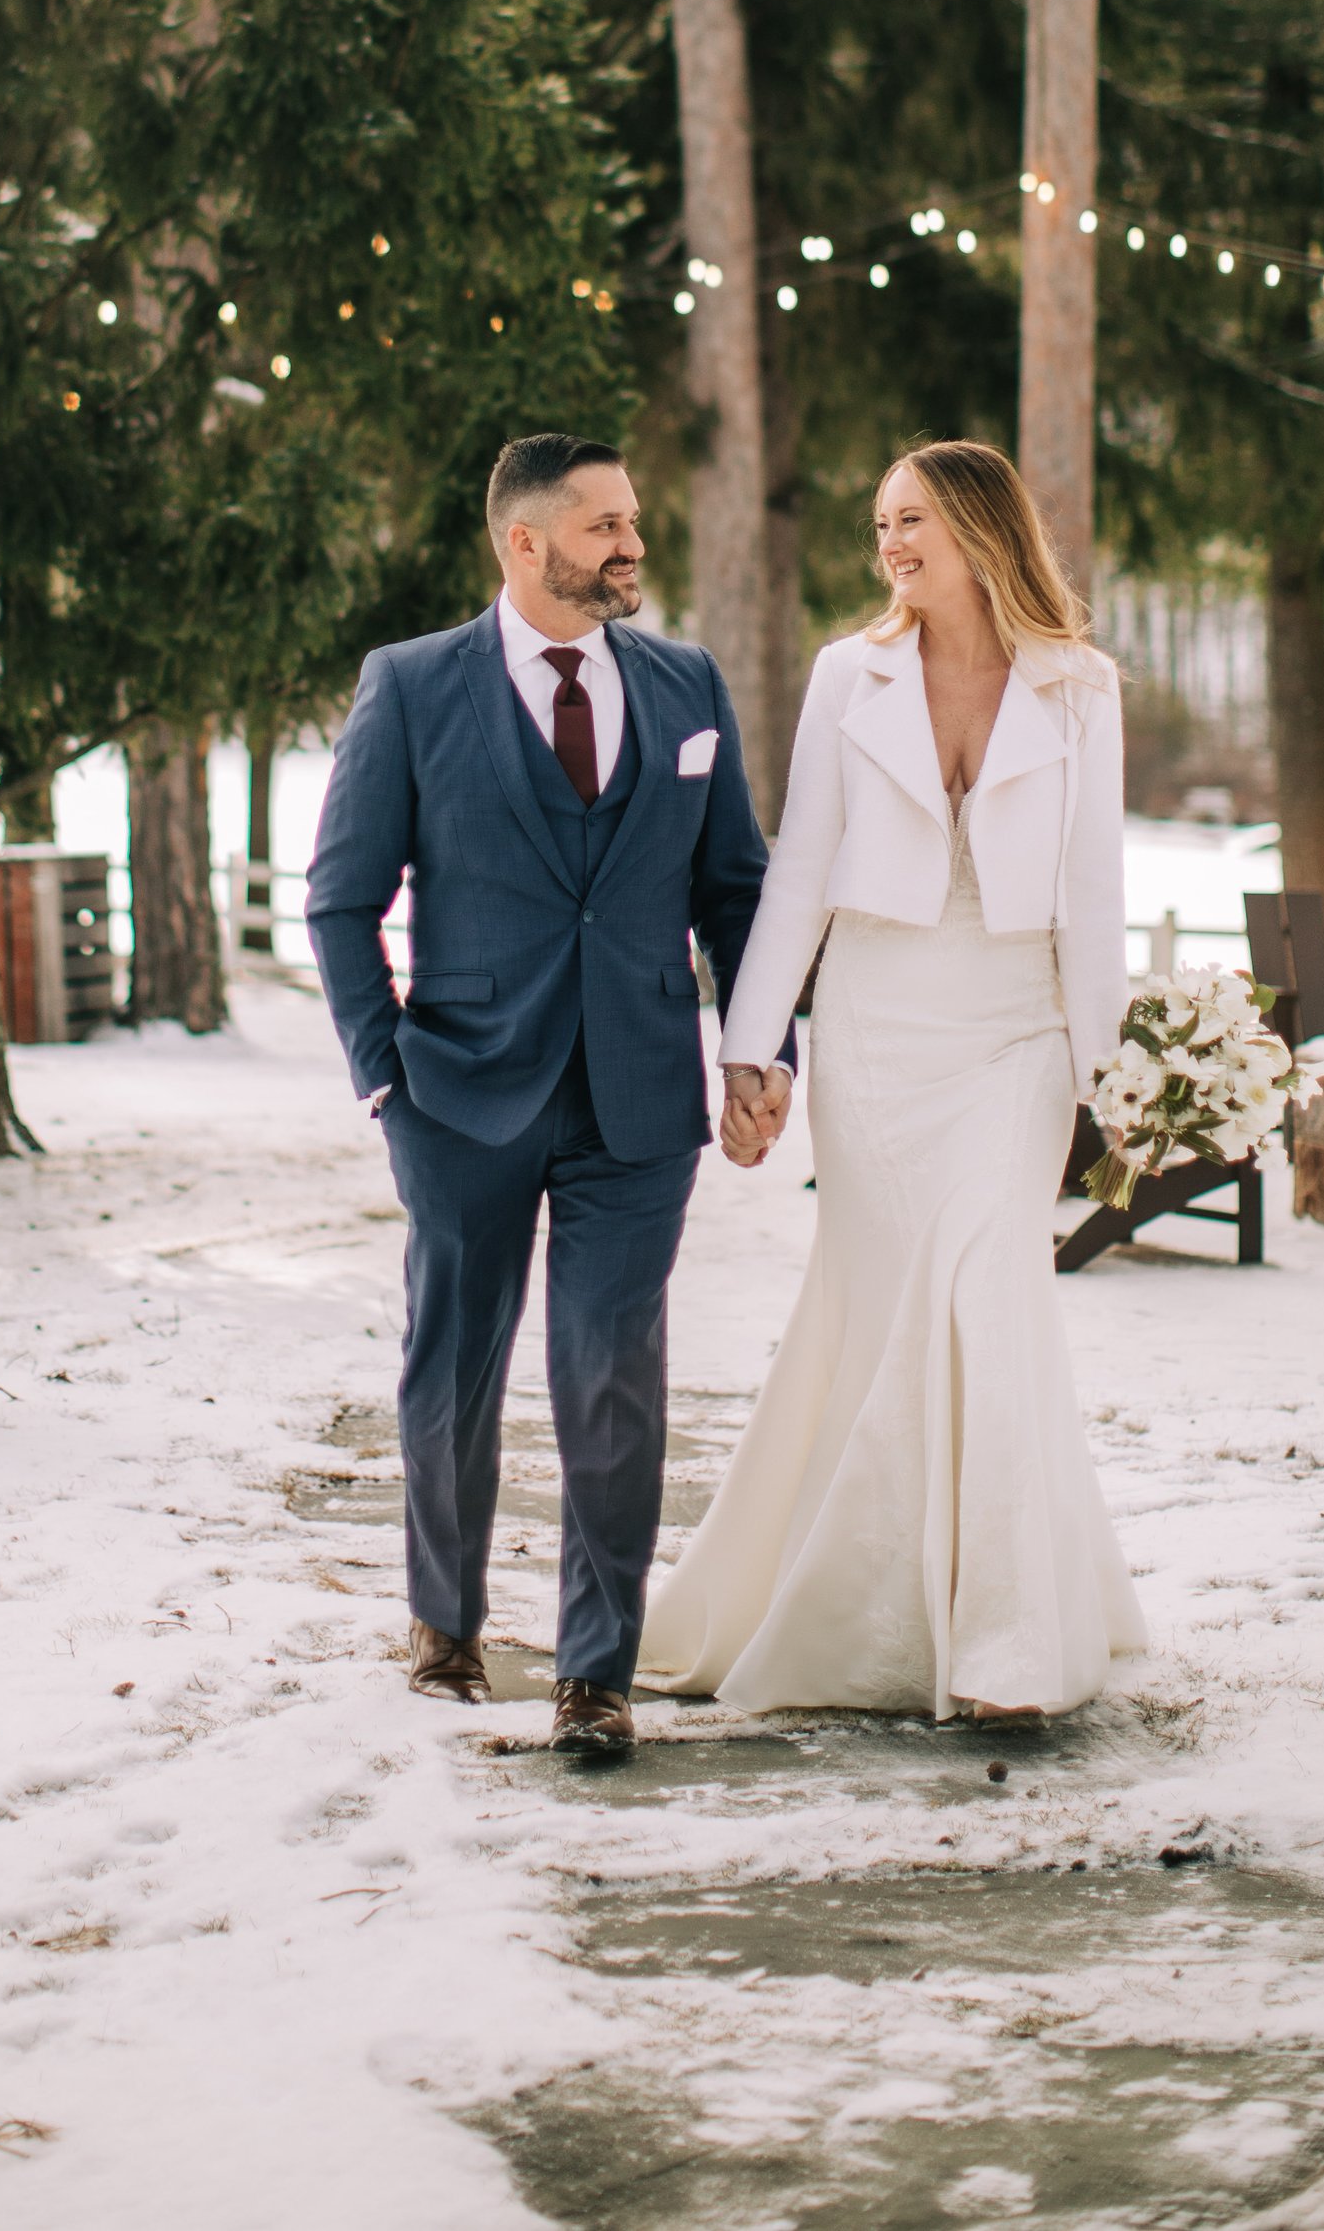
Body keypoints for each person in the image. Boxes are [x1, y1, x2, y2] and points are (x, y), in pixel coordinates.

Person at [639, 439, 1145, 1723]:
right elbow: (798, 867)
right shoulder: (844, 676)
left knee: (990, 1285)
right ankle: (870, 1619)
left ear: (979, 526)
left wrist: (1115, 1084)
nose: (890, 543)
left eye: (909, 517)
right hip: (876, 1030)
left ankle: (1008, 1642)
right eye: (879, 523)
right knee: (876, 1310)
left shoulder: (1080, 689)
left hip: (1013, 1035)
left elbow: (1092, 899)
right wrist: (750, 1046)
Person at [306, 434, 778, 1762]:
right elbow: (343, 898)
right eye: (604, 525)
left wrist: (756, 1047)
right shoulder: (410, 687)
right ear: (525, 542)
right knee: (452, 1370)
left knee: (611, 1378)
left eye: (633, 519)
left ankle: (593, 1668)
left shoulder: (686, 686)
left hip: (638, 1099)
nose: (632, 543)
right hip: (457, 1094)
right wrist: (385, 1074)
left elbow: (734, 888)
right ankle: (446, 1620)